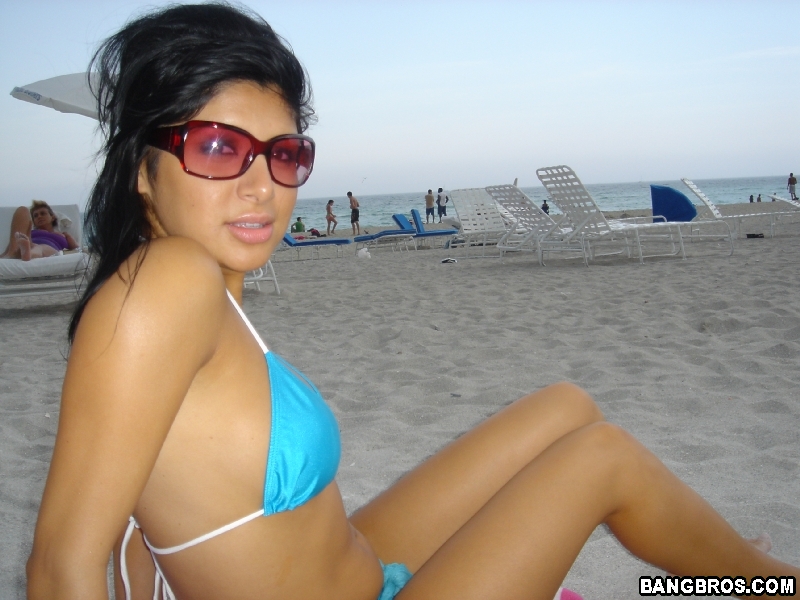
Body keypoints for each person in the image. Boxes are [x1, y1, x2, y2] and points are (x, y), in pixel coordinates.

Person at [26, 5, 799, 600]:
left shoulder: (197, 289)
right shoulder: (167, 283)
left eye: (284, 154)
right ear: (142, 169)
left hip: (355, 562)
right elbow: (63, 566)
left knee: (565, 407)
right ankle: (768, 583)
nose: (261, 186)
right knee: (605, 459)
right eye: (219, 148)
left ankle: (730, 566)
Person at [0, 200, 79, 261]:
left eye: (43, 213)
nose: (39, 217)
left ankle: (27, 253)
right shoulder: (29, 232)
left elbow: (77, 249)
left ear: (53, 217)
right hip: (30, 243)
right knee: (23, 210)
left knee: (40, 248)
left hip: (49, 249)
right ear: (33, 221)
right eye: (35, 216)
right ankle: (16, 253)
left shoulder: (63, 234)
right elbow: (13, 243)